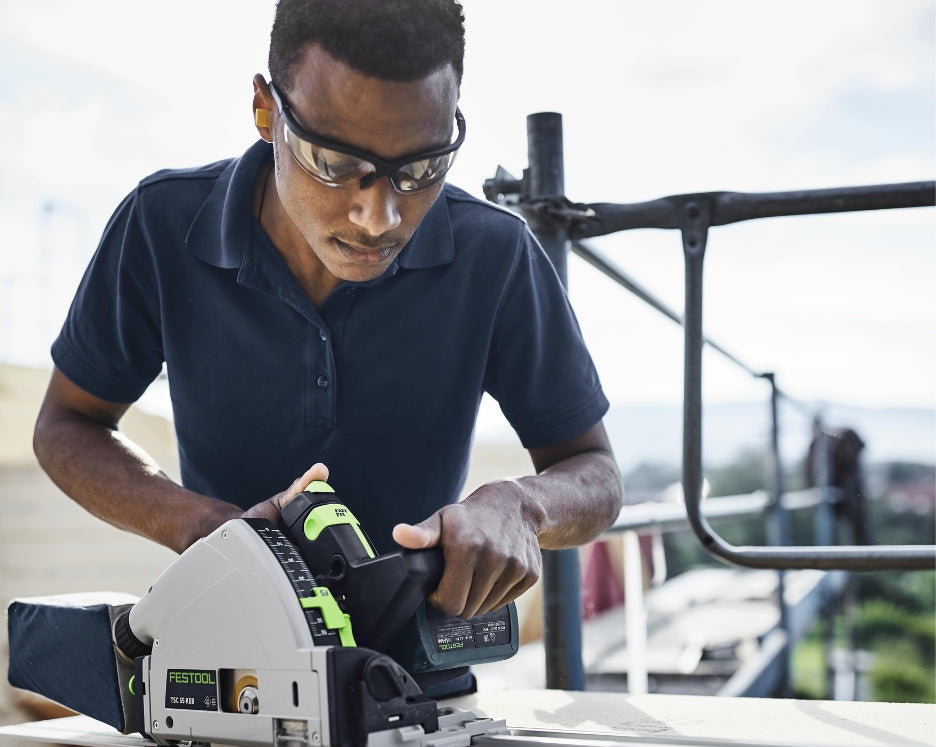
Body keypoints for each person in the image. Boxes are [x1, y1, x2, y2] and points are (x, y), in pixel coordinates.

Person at [33, 0, 623, 679]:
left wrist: (524, 505)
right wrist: (205, 528)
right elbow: (66, 425)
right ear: (265, 111)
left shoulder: (496, 254)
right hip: (231, 677)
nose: (380, 216)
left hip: (423, 689)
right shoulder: (161, 226)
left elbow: (596, 474)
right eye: (335, 163)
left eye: (422, 168)